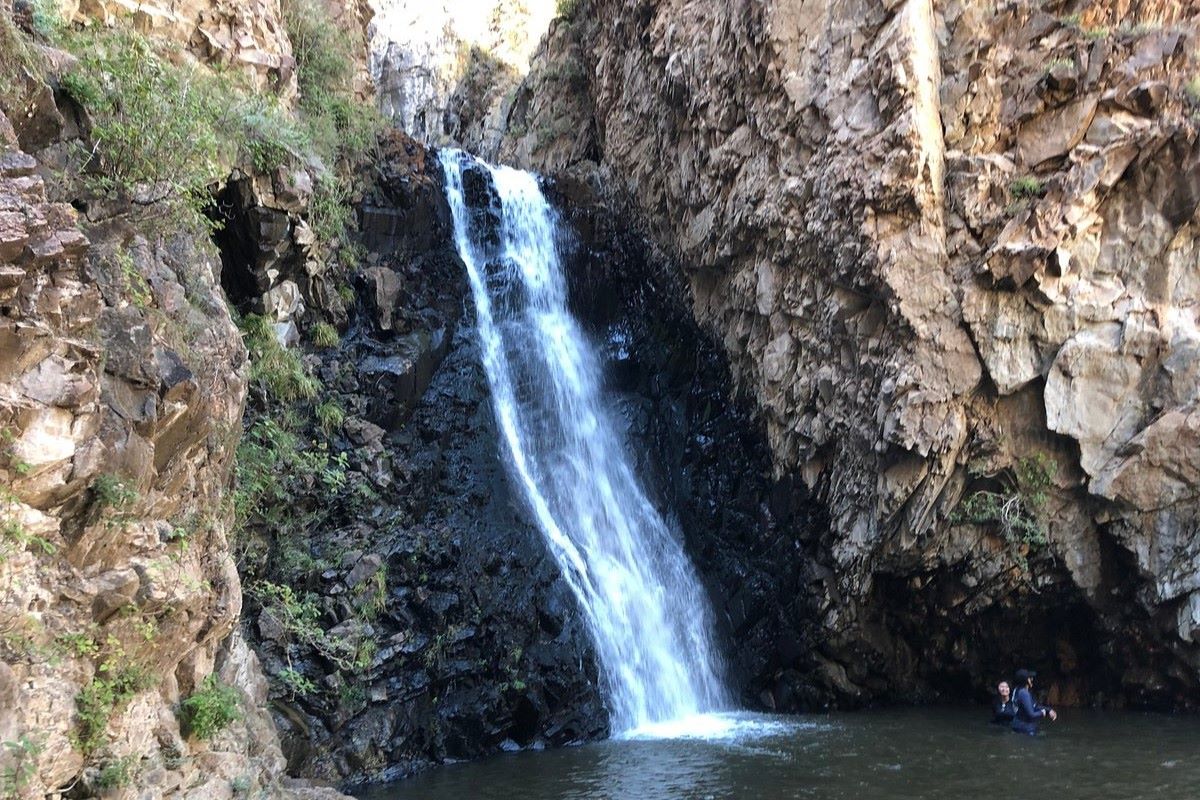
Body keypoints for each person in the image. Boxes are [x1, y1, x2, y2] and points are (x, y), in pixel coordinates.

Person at [1012, 668, 1057, 735]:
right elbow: (1031, 715)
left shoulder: (1018, 690)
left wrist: (1048, 710)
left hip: (1019, 725)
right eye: (1030, 678)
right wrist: (1042, 713)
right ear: (1025, 680)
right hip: (1026, 728)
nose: (1032, 679)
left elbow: (1034, 706)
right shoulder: (1024, 693)